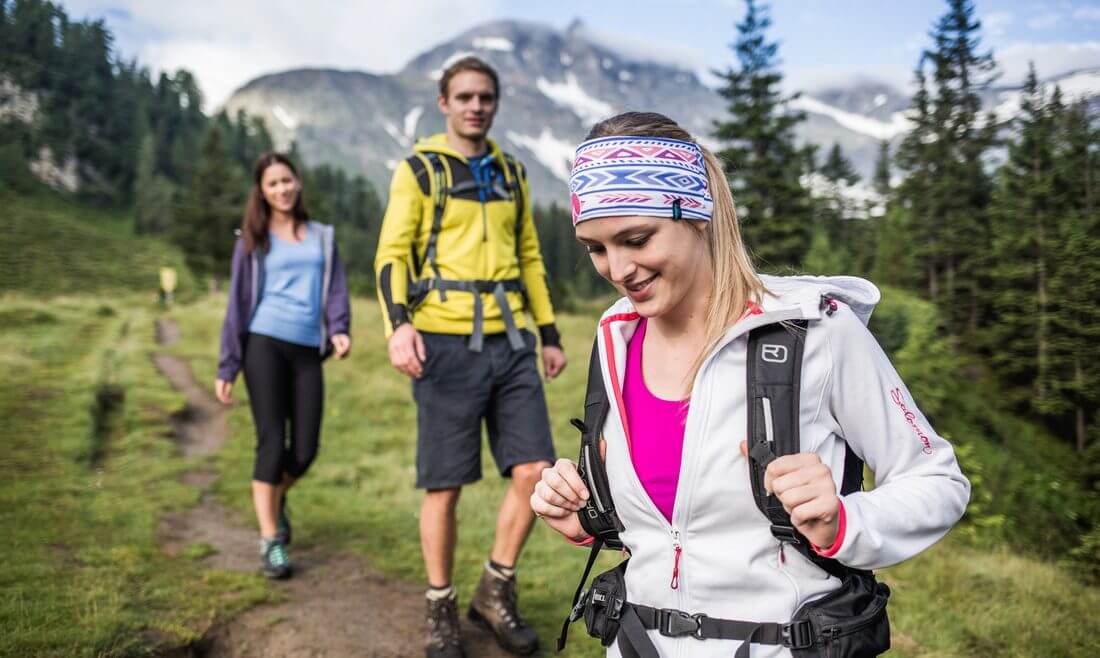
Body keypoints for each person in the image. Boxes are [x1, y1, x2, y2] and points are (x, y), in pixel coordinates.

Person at [531, 112, 971, 658]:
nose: (617, 269)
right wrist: (583, 516)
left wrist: (845, 520)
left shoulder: (815, 333)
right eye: (594, 248)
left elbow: (938, 482)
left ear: (696, 215)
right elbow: (674, 528)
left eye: (636, 239)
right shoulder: (614, 343)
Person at [374, 56, 565, 658]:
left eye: (485, 96)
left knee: (535, 472)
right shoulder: (420, 169)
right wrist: (398, 326)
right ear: (444, 103)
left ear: (495, 102)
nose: (476, 106)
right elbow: (391, 254)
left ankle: (495, 589)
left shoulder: (512, 172)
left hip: (512, 344)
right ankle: (440, 609)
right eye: (464, 97)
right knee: (445, 487)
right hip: (443, 342)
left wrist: (550, 331)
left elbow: (529, 255)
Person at [215, 152, 351, 579]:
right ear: (262, 190)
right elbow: (237, 304)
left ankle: (275, 498)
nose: (282, 189)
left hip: (308, 348)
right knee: (271, 443)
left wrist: (339, 327)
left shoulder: (322, 238)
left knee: (305, 448)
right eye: (272, 184)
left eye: (287, 180)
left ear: (299, 182)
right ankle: (271, 539)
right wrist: (228, 364)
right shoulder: (252, 240)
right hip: (264, 343)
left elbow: (335, 289)